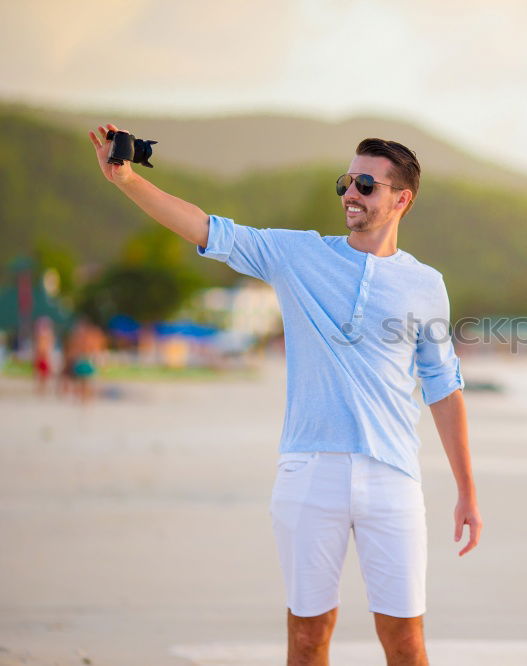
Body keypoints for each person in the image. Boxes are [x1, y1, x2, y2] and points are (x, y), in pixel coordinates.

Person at [89, 123, 481, 666]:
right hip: (309, 470)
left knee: (406, 641)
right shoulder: (297, 256)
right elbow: (207, 230)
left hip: (392, 476)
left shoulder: (425, 284)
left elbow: (442, 383)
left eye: (366, 185)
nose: (350, 193)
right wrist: (126, 179)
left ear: (401, 199)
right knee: (306, 636)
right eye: (347, 181)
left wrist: (466, 488)